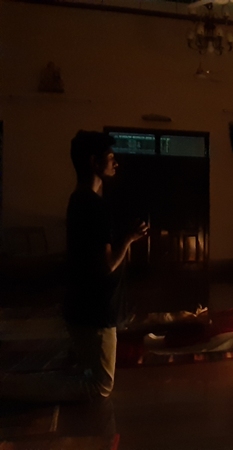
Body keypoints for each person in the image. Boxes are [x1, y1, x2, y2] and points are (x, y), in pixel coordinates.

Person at [0, 130, 147, 402]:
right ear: (94, 162)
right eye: (110, 157)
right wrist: (129, 238)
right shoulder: (94, 207)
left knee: (87, 372)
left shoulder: (77, 200)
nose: (115, 163)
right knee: (100, 386)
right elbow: (105, 265)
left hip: (82, 306)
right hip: (95, 311)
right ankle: (10, 388)